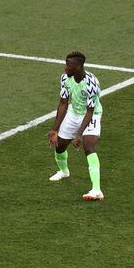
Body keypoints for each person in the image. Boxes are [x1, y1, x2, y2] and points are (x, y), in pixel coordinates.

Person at [47, 51, 104, 201]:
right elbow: (63, 103)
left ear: (78, 67)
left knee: (89, 147)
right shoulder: (65, 78)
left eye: (69, 65)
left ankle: (96, 189)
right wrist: (55, 129)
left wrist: (79, 134)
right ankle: (64, 171)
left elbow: (90, 110)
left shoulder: (91, 83)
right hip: (74, 113)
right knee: (59, 147)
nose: (65, 67)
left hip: (91, 115)